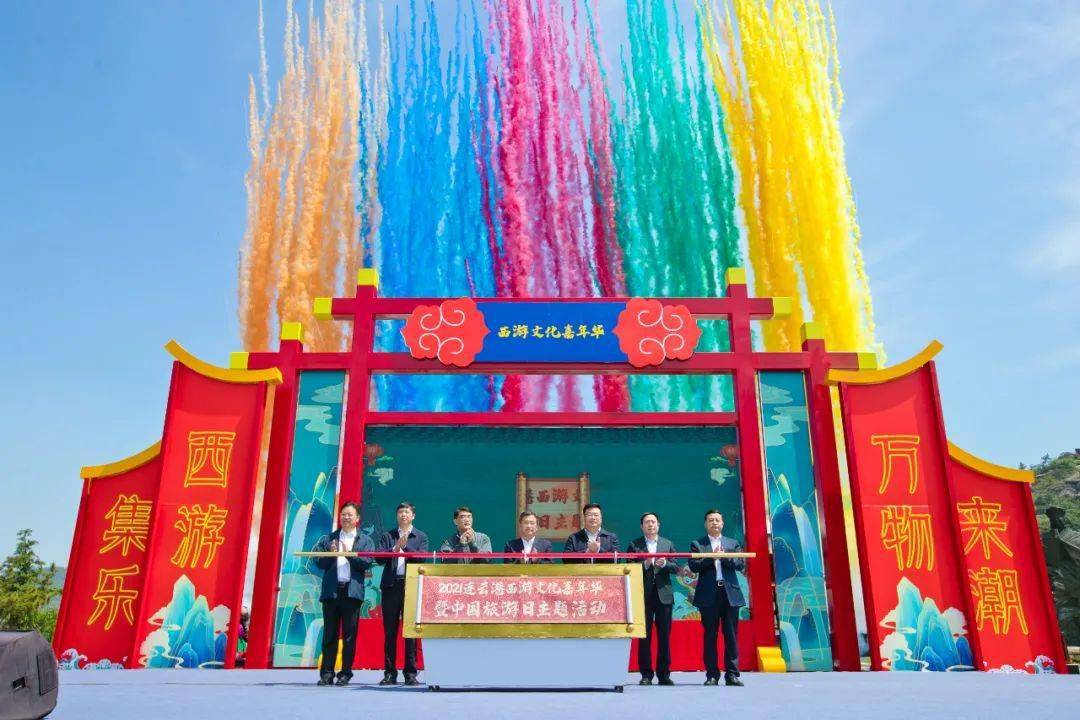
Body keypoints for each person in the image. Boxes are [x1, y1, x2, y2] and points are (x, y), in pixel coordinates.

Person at [312, 502, 375, 686]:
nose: (346, 517)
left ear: (357, 519)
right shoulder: (329, 539)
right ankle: (327, 673)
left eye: (350, 515)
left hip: (351, 593)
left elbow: (367, 562)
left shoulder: (365, 540)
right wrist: (331, 554)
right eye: (343, 514)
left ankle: (345, 673)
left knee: (349, 636)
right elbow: (318, 562)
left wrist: (348, 554)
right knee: (329, 635)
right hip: (331, 592)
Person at [688, 509, 746, 687]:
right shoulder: (698, 544)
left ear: (722, 523)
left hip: (730, 594)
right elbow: (694, 566)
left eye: (717, 520)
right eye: (711, 520)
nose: (714, 523)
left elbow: (740, 564)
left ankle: (732, 675)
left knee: (731, 636)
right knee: (710, 636)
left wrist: (724, 557)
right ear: (705, 524)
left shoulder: (732, 543)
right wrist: (711, 557)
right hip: (708, 595)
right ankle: (712, 675)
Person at [376, 501, 428, 686]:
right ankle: (390, 673)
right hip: (391, 587)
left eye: (406, 512)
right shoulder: (388, 535)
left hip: (410, 587)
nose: (403, 515)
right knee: (390, 632)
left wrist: (405, 548)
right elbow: (378, 558)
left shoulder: (420, 536)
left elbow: (422, 558)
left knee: (410, 633)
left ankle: (410, 673)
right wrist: (395, 548)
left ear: (413, 515)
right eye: (400, 512)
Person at [626, 512, 676, 685]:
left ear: (658, 525)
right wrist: (645, 564)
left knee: (664, 636)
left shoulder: (667, 544)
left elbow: (676, 567)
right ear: (642, 526)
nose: (650, 525)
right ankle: (646, 675)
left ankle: (664, 675)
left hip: (664, 595)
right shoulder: (635, 545)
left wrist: (666, 564)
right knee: (644, 636)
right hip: (643, 595)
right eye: (647, 522)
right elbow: (628, 567)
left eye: (653, 522)